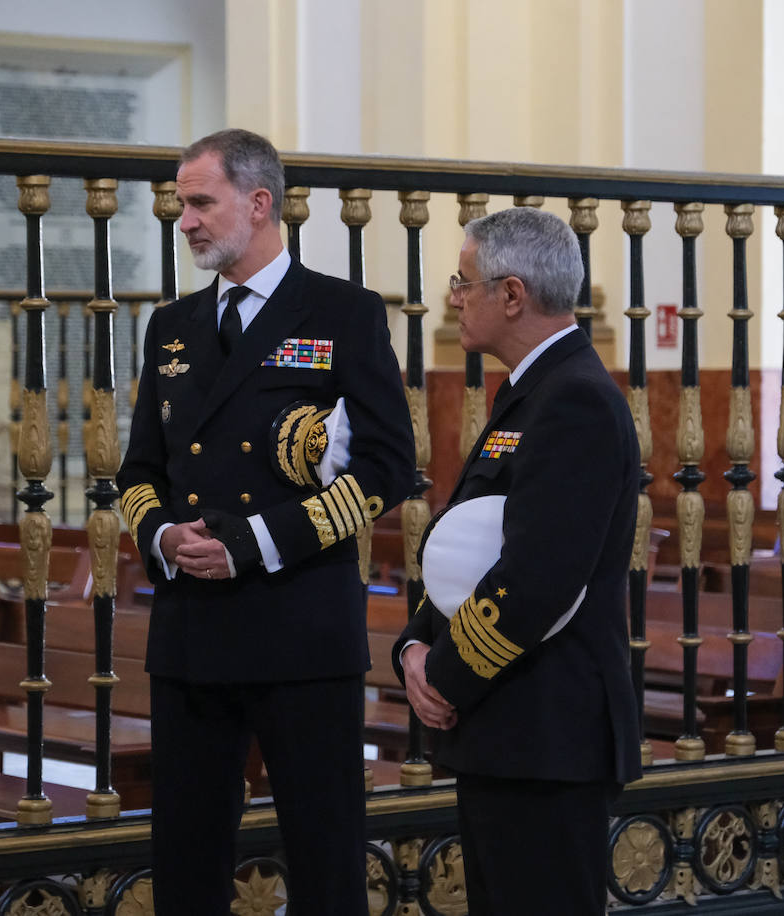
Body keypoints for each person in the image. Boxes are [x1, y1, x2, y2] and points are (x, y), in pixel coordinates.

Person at [118, 128, 414, 914]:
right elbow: (140, 470)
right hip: (191, 632)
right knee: (185, 858)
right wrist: (161, 537)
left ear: (258, 203)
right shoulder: (172, 327)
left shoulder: (342, 313)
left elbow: (387, 466)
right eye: (183, 205)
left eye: (200, 203)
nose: (185, 222)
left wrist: (254, 543)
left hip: (299, 628)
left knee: (324, 857)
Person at [393, 207, 642, 914]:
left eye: (463, 281)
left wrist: (441, 676)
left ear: (512, 294)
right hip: (513, 728)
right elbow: (473, 546)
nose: (452, 296)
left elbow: (537, 576)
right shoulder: (535, 391)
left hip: (548, 733)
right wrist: (416, 642)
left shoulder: (575, 401)